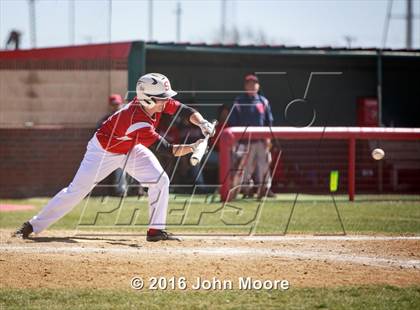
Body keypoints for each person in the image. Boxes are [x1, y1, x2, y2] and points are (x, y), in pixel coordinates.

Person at [14, 73, 215, 242]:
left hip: (129, 147)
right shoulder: (137, 121)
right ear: (148, 98)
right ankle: (32, 225)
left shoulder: (155, 103)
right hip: (102, 152)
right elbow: (167, 150)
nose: (166, 100)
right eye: (162, 97)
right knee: (76, 191)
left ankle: (155, 231)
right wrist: (193, 147)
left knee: (159, 180)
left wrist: (203, 123)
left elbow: (184, 110)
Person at [229, 74, 275, 199]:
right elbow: (232, 121)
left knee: (264, 165)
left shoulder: (263, 101)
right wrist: (236, 140)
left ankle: (265, 189)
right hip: (244, 141)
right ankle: (247, 190)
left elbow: (268, 122)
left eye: (254, 83)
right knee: (245, 167)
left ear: (258, 86)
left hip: (261, 140)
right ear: (245, 86)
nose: (252, 85)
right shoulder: (239, 101)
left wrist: (268, 139)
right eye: (249, 83)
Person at [97, 94, 128, 196]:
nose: (116, 107)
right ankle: (120, 191)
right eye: (114, 105)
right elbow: (99, 132)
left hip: (127, 147)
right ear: (110, 106)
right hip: (111, 150)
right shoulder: (106, 119)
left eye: (117, 104)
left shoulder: (126, 116)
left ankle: (135, 191)